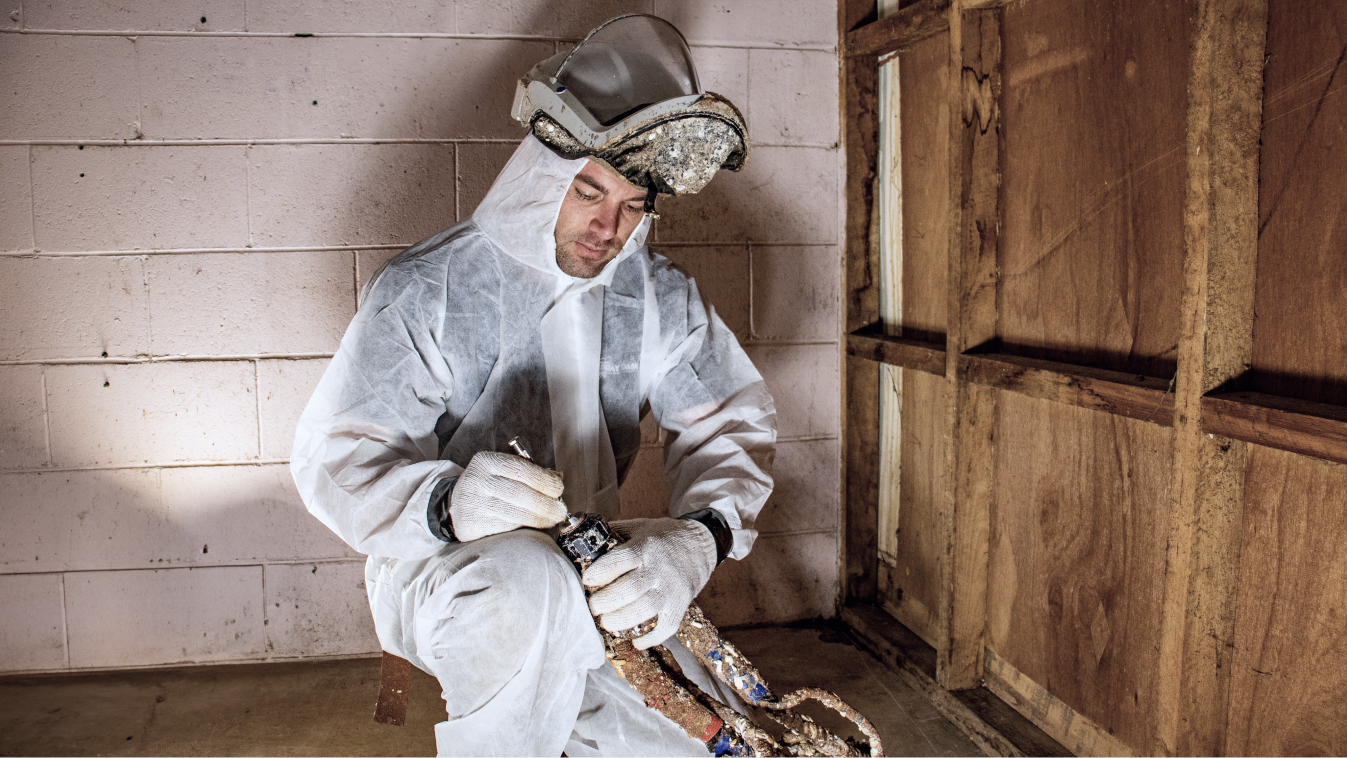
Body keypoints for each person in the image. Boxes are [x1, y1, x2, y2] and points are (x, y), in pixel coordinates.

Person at [291, 14, 776, 757]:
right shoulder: (429, 288)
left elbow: (729, 422)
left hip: (587, 550)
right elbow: (337, 457)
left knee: (698, 740)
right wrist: (446, 502)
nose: (607, 227)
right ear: (542, 174)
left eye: (632, 206)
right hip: (442, 565)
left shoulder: (654, 295)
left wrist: (697, 540)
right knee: (527, 588)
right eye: (588, 191)